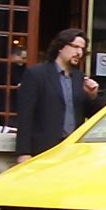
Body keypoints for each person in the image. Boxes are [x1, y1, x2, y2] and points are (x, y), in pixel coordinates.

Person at [15, 28, 100, 163]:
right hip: (43, 150)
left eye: (82, 49)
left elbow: (93, 115)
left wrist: (92, 96)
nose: (79, 53)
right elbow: (25, 116)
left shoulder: (80, 78)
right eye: (75, 47)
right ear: (61, 47)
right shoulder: (37, 74)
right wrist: (23, 152)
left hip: (72, 151)